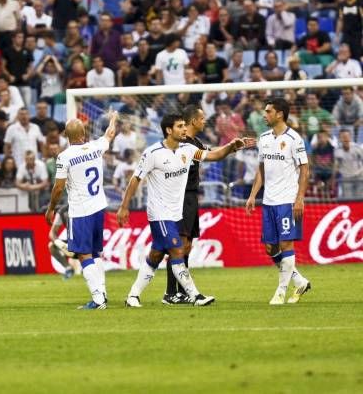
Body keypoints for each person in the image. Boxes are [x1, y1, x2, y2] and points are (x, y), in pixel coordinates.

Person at [119, 113, 255, 308]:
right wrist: (124, 207)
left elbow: (214, 155)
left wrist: (231, 147)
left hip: (176, 213)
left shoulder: (189, 149)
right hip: (159, 213)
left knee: (156, 255)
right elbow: (135, 179)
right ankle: (194, 295)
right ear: (168, 130)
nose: (185, 129)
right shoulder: (152, 153)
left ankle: (133, 296)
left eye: (184, 125)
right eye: (180, 126)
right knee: (177, 250)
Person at [45, 111, 119, 310]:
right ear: (84, 133)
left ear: (66, 136)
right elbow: (110, 133)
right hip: (98, 207)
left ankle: (97, 299)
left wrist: (51, 208)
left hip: (80, 211)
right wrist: (113, 119)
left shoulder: (64, 157)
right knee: (95, 254)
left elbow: (58, 188)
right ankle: (102, 293)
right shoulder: (96, 146)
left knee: (84, 255)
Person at [246, 98, 311, 305]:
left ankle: (281, 291)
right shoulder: (264, 138)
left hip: (287, 201)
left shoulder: (294, 139)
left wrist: (299, 198)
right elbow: (262, 169)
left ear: (280, 114)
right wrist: (253, 194)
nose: (264, 115)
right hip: (269, 201)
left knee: (285, 243)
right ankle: (299, 281)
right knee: (270, 248)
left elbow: (305, 169)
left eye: (268, 111)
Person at [161, 105, 209, 304]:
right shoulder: (179, 144)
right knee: (178, 246)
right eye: (202, 118)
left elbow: (211, 154)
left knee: (186, 245)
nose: (205, 121)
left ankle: (182, 291)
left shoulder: (195, 143)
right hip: (180, 198)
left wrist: (232, 147)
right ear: (194, 121)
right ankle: (171, 292)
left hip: (191, 198)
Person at [48, 204, 79, 280]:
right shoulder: (63, 211)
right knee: (52, 246)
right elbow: (52, 233)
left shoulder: (87, 206)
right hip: (73, 244)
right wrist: (60, 244)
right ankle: (68, 268)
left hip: (88, 243)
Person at [334, 129, 363, 199]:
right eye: (343, 137)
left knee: (360, 199)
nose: (345, 138)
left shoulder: (357, 148)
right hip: (346, 179)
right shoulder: (337, 151)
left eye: (347, 136)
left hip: (359, 177)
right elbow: (336, 166)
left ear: (350, 137)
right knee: (348, 199)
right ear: (340, 139)